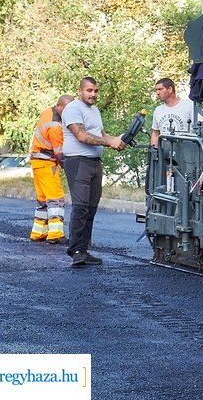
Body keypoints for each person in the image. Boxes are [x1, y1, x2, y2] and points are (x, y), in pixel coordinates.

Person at [61, 77, 126, 267]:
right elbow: (81, 135)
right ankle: (75, 251)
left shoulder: (95, 110)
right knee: (81, 206)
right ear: (80, 91)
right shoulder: (73, 108)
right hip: (78, 162)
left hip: (94, 163)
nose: (93, 94)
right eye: (89, 90)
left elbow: (102, 135)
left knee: (90, 207)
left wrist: (118, 140)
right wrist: (110, 142)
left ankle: (84, 249)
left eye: (96, 91)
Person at [29, 94, 74, 244]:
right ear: (59, 107)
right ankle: (55, 234)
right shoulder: (56, 127)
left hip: (37, 161)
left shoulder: (47, 111)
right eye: (66, 110)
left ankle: (38, 232)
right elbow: (60, 155)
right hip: (47, 163)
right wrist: (72, 171)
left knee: (43, 199)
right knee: (56, 198)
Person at [150, 78, 195, 147]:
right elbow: (155, 133)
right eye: (156, 90)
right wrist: (154, 150)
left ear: (170, 89)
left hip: (187, 150)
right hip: (165, 151)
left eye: (160, 89)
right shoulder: (158, 110)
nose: (157, 93)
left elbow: (200, 129)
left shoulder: (189, 106)